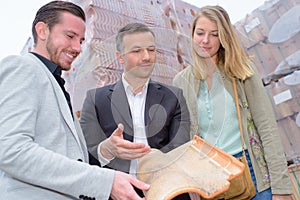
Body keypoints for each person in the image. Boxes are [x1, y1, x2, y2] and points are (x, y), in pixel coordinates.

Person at [0, 1, 149, 200]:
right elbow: (11, 150)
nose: (77, 47)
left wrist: (106, 150)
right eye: (70, 36)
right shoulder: (22, 67)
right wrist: (105, 182)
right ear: (42, 31)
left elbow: (69, 157)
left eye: (81, 40)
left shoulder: (56, 83)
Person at [173, 5, 294, 200]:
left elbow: (267, 128)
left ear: (223, 37)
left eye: (214, 34)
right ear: (192, 34)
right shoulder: (181, 82)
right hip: (214, 181)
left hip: (253, 173)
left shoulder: (241, 69)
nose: (205, 40)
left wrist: (281, 187)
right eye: (200, 33)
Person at [80, 22, 191, 199]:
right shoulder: (95, 100)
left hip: (168, 190)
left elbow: (180, 150)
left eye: (151, 49)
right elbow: (86, 156)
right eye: (136, 51)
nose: (146, 56)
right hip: (118, 193)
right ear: (121, 57)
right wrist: (106, 150)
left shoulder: (174, 97)